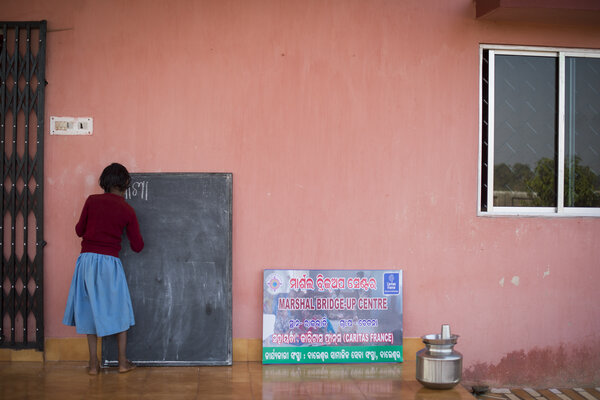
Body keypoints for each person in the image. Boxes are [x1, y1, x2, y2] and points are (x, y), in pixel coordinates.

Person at [63, 163, 144, 375]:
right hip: (109, 263)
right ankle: (123, 362)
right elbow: (137, 246)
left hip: (87, 261)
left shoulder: (92, 201)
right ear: (126, 183)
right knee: (120, 310)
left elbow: (79, 230)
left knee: (88, 310)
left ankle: (92, 364)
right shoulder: (127, 209)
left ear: (104, 182)